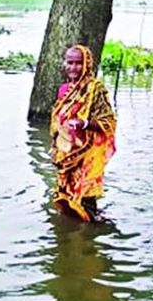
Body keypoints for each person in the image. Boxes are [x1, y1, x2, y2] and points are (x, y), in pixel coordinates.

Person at [50, 45, 116, 221]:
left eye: (78, 63)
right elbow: (59, 120)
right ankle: (73, 238)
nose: (73, 67)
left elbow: (108, 122)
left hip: (87, 153)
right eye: (70, 62)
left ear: (87, 64)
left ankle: (90, 229)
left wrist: (84, 123)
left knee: (85, 198)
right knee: (66, 197)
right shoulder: (64, 90)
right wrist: (55, 148)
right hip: (67, 152)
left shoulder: (96, 89)